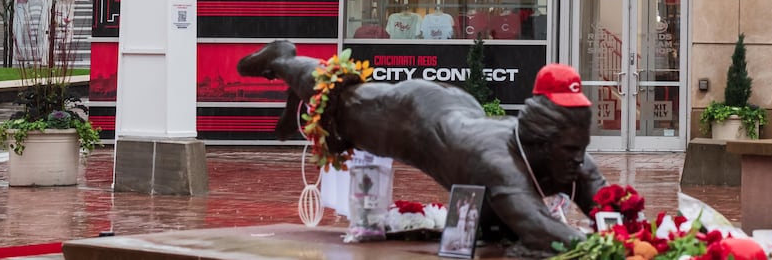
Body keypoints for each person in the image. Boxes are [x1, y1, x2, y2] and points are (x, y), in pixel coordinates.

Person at [239, 42, 606, 251]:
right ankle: (283, 59)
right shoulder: (498, 164)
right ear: (542, 143)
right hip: (419, 117)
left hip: (464, 114)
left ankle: (291, 100)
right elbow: (542, 231)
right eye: (570, 151)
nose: (579, 160)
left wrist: (633, 231)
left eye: (580, 148)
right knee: (345, 103)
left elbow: (610, 204)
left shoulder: (567, 151)